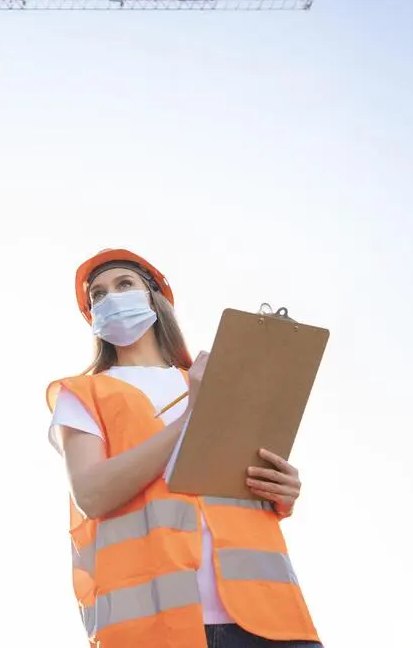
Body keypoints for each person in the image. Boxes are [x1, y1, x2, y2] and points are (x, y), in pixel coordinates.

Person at [45, 249, 322, 648]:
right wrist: (192, 414)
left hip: (271, 619)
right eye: (98, 296)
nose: (110, 299)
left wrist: (283, 489)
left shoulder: (214, 379)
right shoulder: (84, 394)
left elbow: (243, 480)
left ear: (154, 296)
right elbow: (92, 494)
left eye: (124, 284)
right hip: (157, 630)